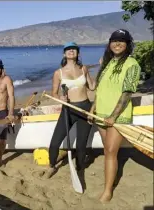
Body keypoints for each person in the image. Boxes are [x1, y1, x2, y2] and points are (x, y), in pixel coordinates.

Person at [88, 29, 141, 203]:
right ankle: (111, 176)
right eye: (114, 40)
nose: (117, 44)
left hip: (116, 116)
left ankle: (108, 190)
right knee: (108, 151)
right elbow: (100, 90)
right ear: (109, 44)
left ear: (127, 44)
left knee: (110, 151)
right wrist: (93, 109)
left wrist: (113, 116)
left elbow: (126, 94)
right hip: (101, 114)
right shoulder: (107, 63)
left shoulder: (132, 64)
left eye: (122, 41)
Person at [45, 42, 95, 179]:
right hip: (68, 110)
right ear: (64, 54)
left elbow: (91, 86)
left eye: (73, 49)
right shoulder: (58, 73)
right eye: (68, 49)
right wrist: (60, 97)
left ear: (78, 53)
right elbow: (54, 93)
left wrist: (103, 70)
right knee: (55, 142)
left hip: (85, 108)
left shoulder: (84, 69)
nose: (71, 51)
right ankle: (52, 165)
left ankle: (80, 167)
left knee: (81, 144)